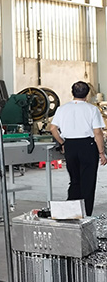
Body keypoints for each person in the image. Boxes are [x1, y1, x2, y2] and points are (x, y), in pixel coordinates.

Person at [49, 81, 107, 216]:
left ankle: (72, 213)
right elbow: (97, 132)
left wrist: (62, 143)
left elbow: (53, 128)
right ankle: (85, 214)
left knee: (74, 181)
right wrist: (101, 152)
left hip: (70, 146)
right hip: (87, 146)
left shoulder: (62, 109)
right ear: (87, 94)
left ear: (72, 93)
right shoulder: (92, 109)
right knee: (88, 181)